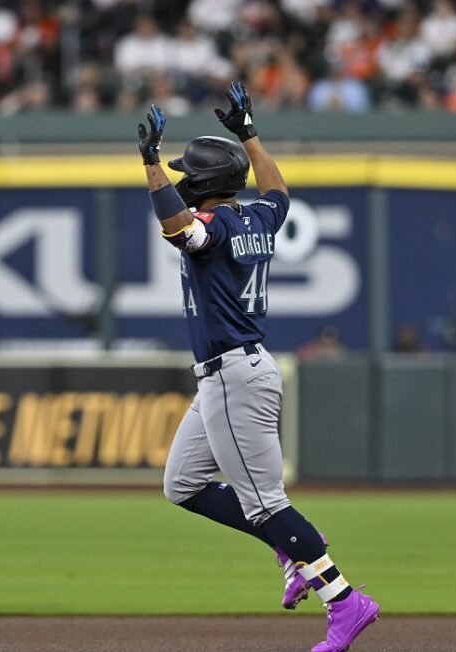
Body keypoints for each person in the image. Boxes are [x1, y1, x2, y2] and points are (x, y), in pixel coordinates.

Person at [139, 82, 379, 652]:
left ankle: (345, 601)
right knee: (182, 484)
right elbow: (280, 192)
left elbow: (178, 228)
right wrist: (249, 133)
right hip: (233, 372)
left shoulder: (216, 229)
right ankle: (294, 540)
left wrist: (150, 164)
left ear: (199, 184)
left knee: (268, 503)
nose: (179, 178)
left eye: (184, 174)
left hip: (233, 377)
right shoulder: (257, 219)